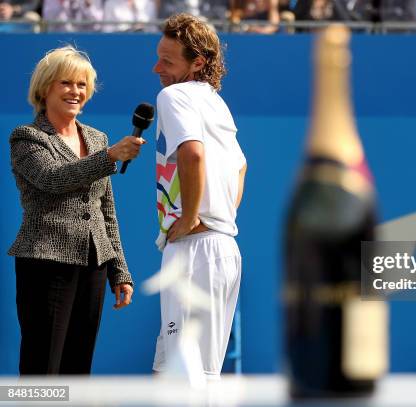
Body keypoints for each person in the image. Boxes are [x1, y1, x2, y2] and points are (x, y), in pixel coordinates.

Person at [8, 46, 144, 375]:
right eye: (66, 83)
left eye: (82, 84)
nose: (76, 91)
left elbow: (106, 211)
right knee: (43, 365)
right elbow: (53, 179)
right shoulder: (27, 137)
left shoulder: (97, 139)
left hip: (93, 265)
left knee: (78, 369)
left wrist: (119, 270)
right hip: (45, 262)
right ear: (45, 88)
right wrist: (110, 157)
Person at [151, 14, 247, 379]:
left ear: (198, 63)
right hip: (221, 249)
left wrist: (192, 216)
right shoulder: (215, 102)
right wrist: (220, 215)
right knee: (173, 371)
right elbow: (241, 167)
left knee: (184, 381)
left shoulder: (172, 95)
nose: (156, 67)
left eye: (167, 61)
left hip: (194, 249)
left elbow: (192, 154)